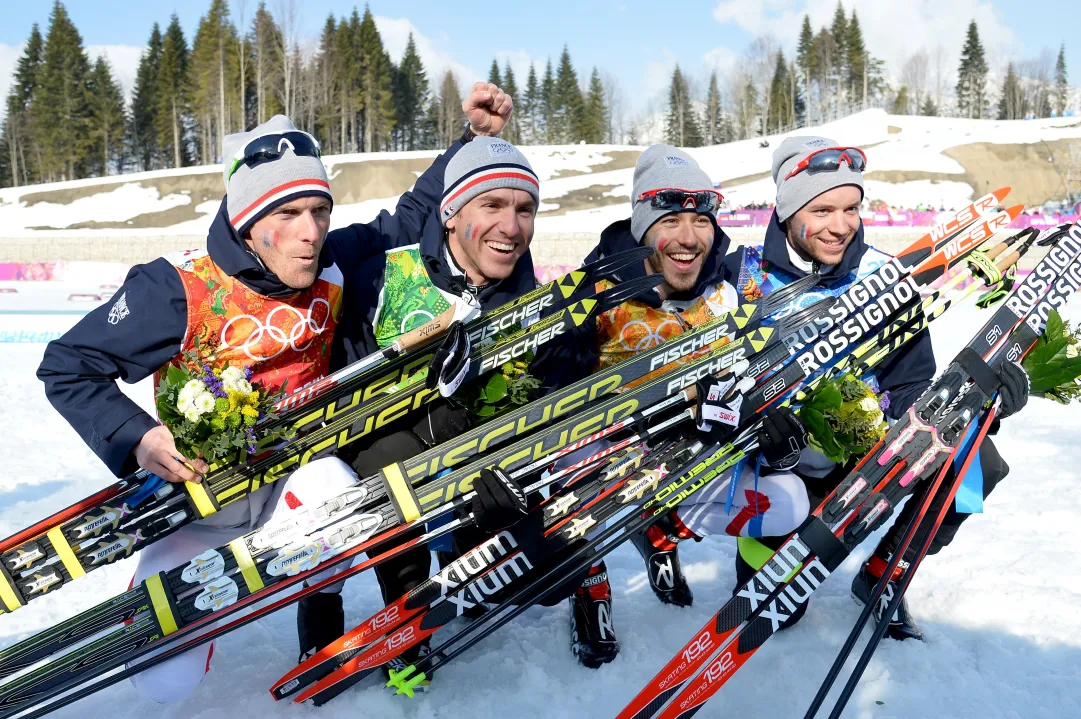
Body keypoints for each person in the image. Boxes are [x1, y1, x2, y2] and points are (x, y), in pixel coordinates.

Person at [36, 83, 512, 702]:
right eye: (287, 215)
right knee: (161, 687)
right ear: (247, 222)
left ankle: (321, 606)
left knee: (342, 494)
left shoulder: (331, 263)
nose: (309, 233)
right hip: (202, 502)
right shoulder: (177, 286)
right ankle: (162, 606)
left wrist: (475, 141)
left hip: (298, 477)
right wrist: (138, 437)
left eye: (319, 211)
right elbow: (69, 362)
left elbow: (410, 214)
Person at [703, 136, 1028, 639]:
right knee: (781, 614)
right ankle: (761, 553)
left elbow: (913, 382)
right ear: (787, 210)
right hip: (780, 468)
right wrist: (746, 415)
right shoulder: (739, 277)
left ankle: (887, 571)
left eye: (851, 207)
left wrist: (979, 403)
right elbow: (701, 371)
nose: (840, 225)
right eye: (823, 208)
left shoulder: (885, 276)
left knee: (977, 465)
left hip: (863, 450)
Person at [322, 97, 576, 687]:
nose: (511, 227)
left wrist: (520, 479)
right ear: (452, 214)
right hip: (390, 456)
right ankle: (406, 606)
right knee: (392, 465)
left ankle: (473, 556)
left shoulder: (532, 305)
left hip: (477, 457)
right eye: (492, 205)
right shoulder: (383, 273)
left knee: (548, 577)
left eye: (525, 209)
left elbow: (550, 405)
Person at [563, 145, 806, 667]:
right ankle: (591, 581)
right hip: (607, 464)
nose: (689, 238)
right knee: (565, 463)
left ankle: (663, 530)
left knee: (789, 501)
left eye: (701, 220)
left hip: (694, 461)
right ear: (643, 227)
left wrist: (770, 419)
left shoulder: (732, 290)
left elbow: (759, 372)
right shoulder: (596, 292)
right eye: (670, 219)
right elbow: (551, 404)